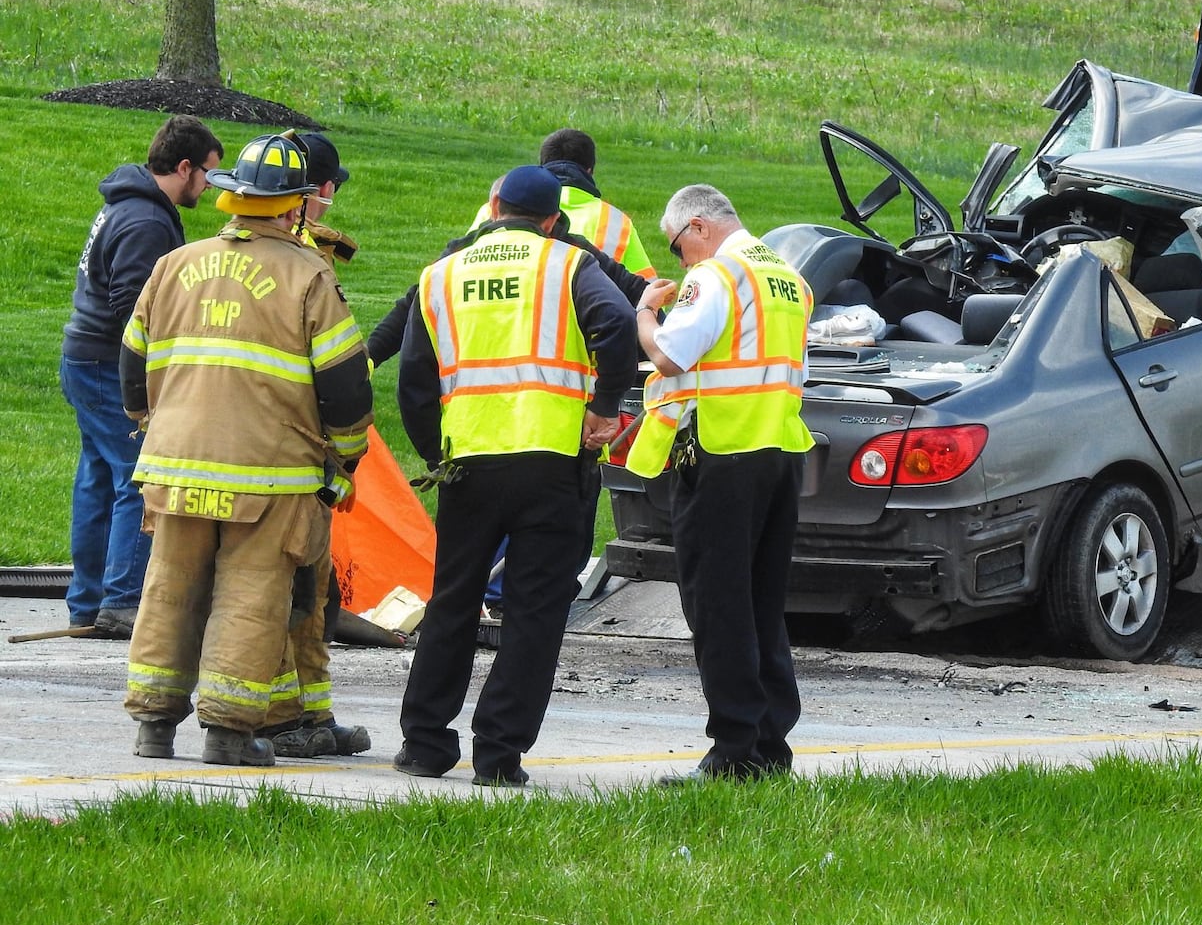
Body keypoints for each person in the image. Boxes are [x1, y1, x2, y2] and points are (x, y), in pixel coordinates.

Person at [120, 133, 373, 767]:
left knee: (170, 589)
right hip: (269, 478)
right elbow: (345, 387)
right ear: (294, 206)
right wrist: (343, 459)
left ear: (234, 196)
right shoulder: (310, 274)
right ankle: (227, 735)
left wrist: (154, 422)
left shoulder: (176, 264)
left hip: (175, 466)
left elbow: (131, 362)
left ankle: (153, 726)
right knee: (252, 596)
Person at [393, 164, 636, 787]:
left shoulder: (440, 275)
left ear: (494, 203)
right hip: (552, 464)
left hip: (468, 467)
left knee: (451, 603)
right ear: (554, 219)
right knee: (533, 613)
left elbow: (414, 383)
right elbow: (617, 326)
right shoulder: (569, 265)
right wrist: (604, 411)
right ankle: (498, 754)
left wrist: (435, 456)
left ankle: (423, 743)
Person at [629, 184, 813, 783]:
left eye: (678, 245)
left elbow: (670, 357)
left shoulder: (717, 277)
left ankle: (733, 751)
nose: (680, 259)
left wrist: (646, 315)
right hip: (779, 452)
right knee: (762, 604)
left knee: (718, 605)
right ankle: (769, 745)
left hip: (723, 454)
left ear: (700, 227)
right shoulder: (788, 277)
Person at [61, 115, 225, 637]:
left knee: (98, 480)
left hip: (84, 358)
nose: (210, 185)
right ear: (184, 167)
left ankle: (87, 601)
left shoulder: (127, 204)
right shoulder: (147, 222)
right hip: (108, 364)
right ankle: (122, 601)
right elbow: (133, 307)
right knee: (139, 477)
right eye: (208, 174)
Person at [255, 130, 373, 760]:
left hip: (290, 447)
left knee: (313, 593)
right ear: (314, 193)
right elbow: (334, 367)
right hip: (293, 450)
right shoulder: (304, 262)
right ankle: (280, 721)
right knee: (288, 591)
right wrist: (345, 450)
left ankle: (310, 716)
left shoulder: (270, 251)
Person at [539, 128, 657, 279]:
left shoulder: (517, 212)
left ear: (542, 168)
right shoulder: (616, 221)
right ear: (590, 171)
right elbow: (649, 289)